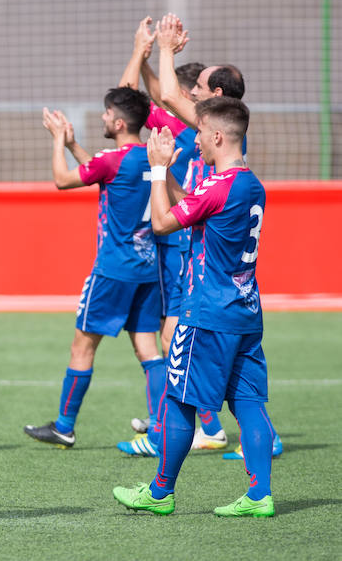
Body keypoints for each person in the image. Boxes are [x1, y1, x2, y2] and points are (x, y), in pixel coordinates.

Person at [114, 97, 276, 517]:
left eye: (201, 132)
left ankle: (160, 492)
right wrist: (167, 170)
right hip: (246, 310)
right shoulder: (249, 184)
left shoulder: (219, 186)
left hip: (207, 313)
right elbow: (197, 204)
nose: (197, 140)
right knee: (249, 404)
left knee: (177, 400)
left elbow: (162, 222)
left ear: (218, 136)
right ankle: (259, 496)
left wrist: (154, 169)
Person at [23, 87, 163, 452]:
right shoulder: (150, 156)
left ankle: (65, 426)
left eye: (105, 114)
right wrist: (74, 145)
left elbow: (63, 180)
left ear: (118, 122)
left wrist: (57, 141)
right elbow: (103, 172)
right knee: (148, 348)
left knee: (82, 346)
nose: (101, 118)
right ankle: (163, 428)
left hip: (113, 270)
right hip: (149, 269)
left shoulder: (112, 159)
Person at [116, 17, 226, 453]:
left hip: (182, 237)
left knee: (174, 335)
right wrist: (143, 53)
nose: (192, 96)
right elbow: (130, 100)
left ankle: (192, 426)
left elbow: (146, 99)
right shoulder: (192, 126)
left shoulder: (190, 126)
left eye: (195, 91)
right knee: (175, 335)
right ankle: (180, 421)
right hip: (174, 237)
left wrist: (156, 51)